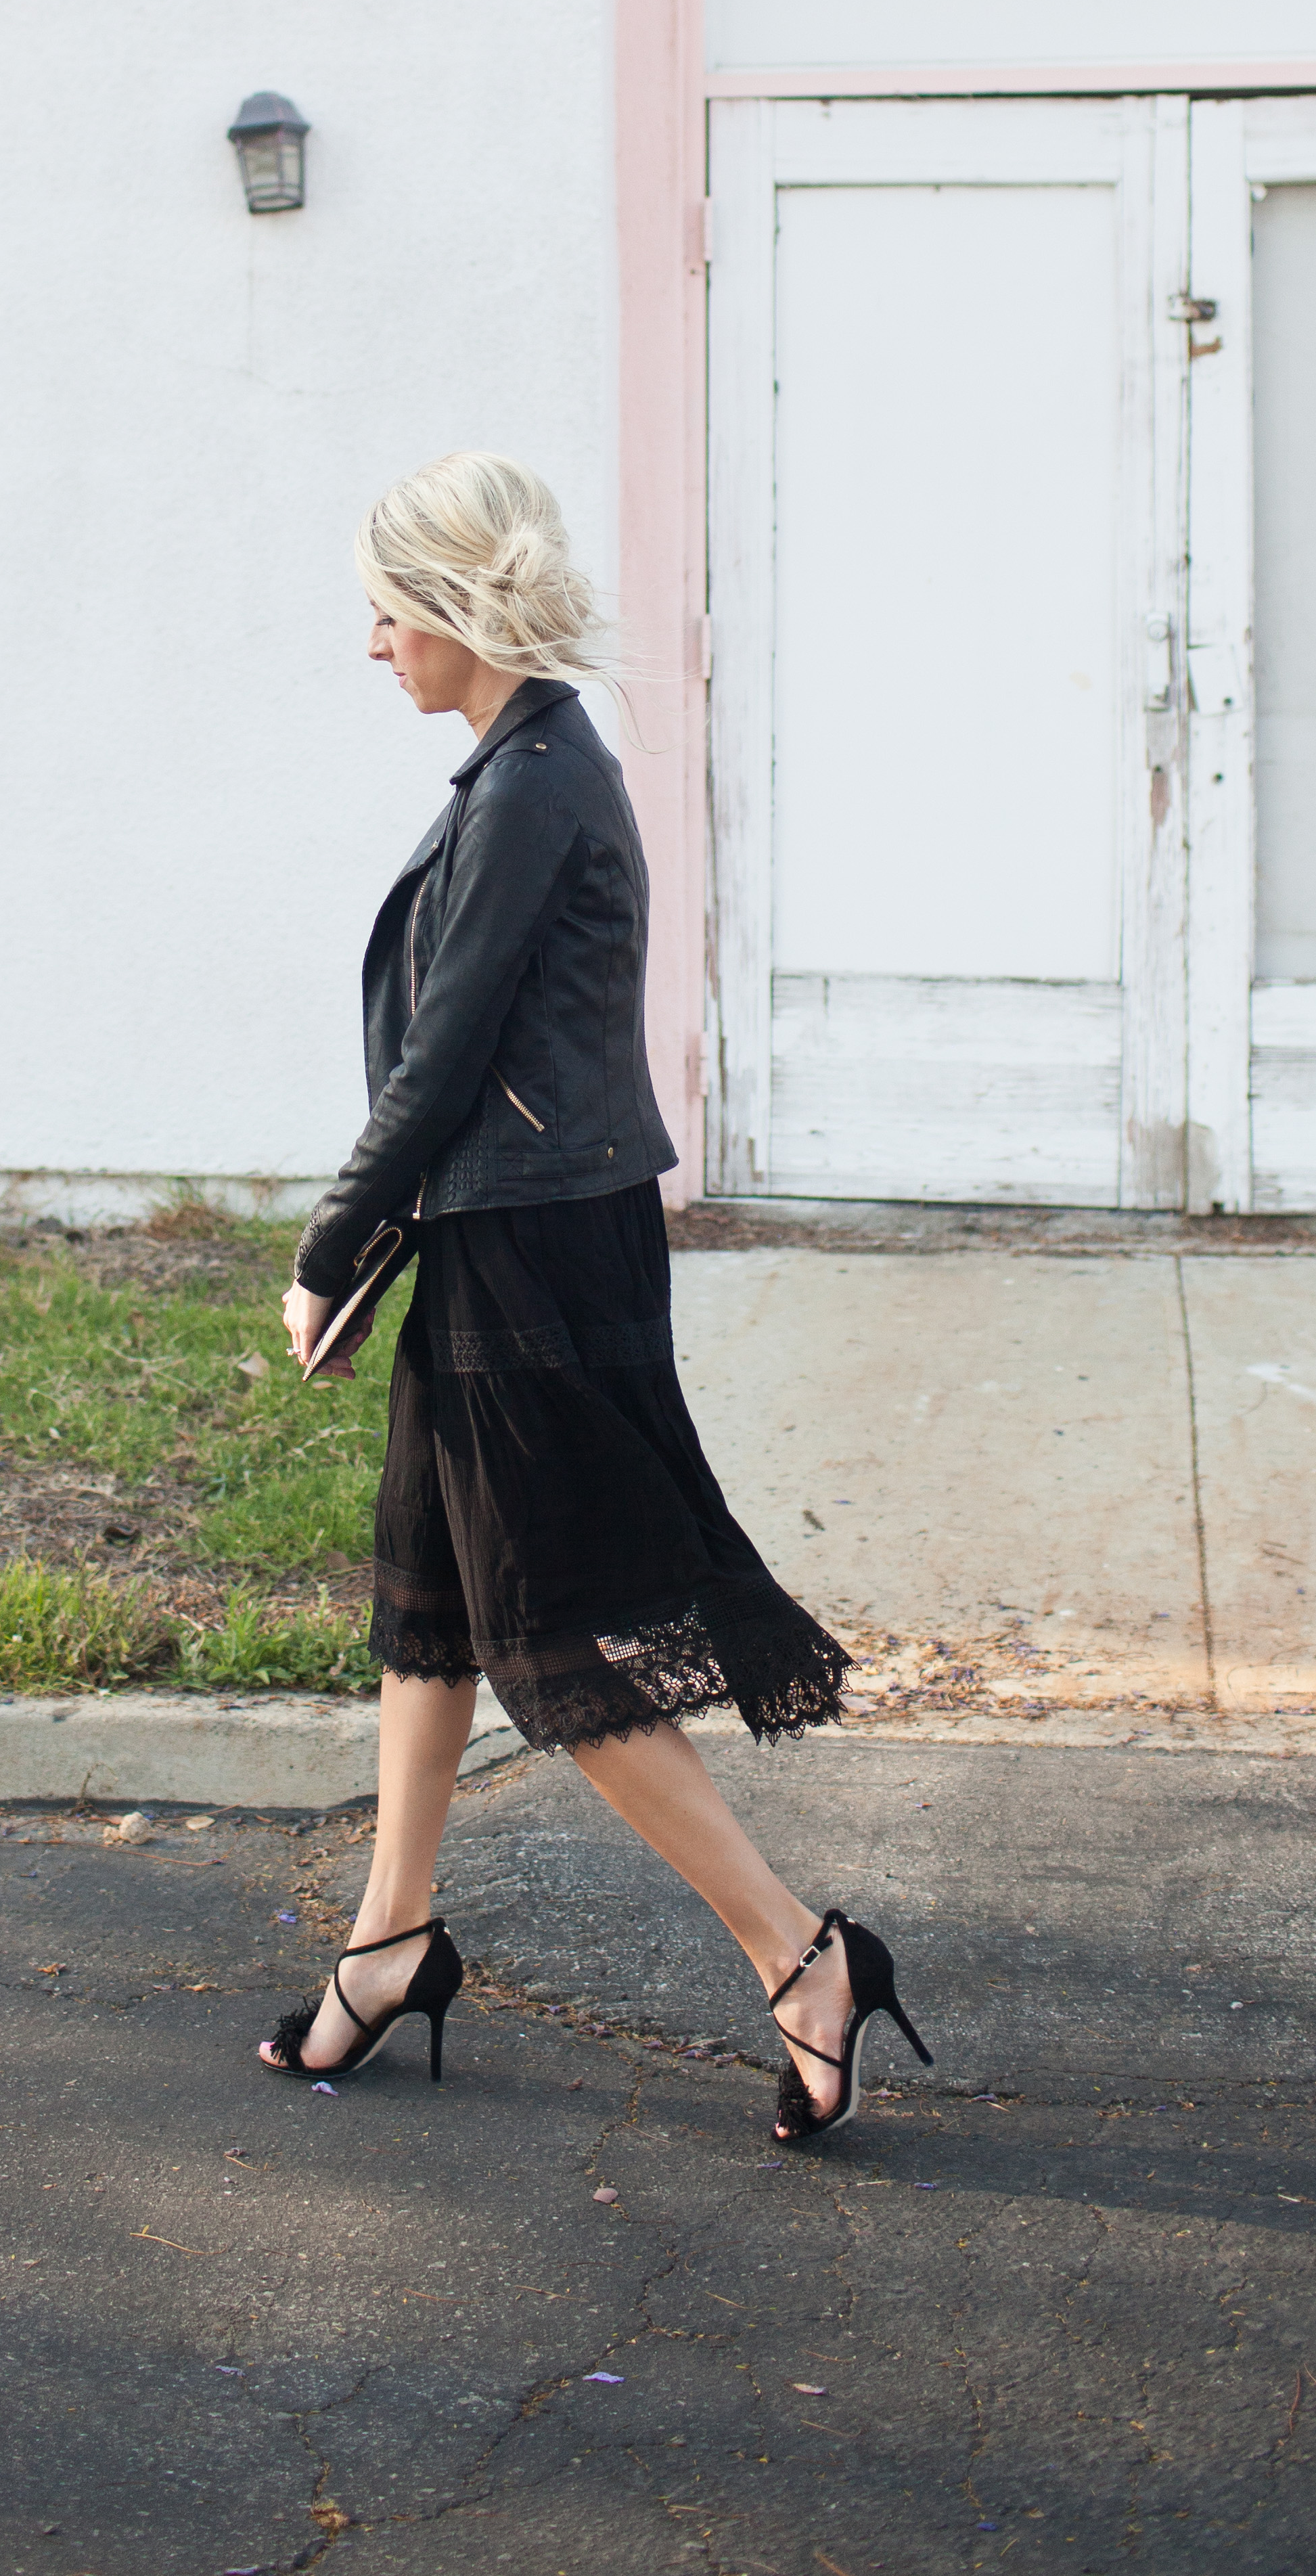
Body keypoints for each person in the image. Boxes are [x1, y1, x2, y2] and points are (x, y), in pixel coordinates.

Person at [256, 453, 930, 2143]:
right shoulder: (524, 762)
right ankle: (390, 1943)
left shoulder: (538, 780)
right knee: (439, 1607)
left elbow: (442, 1055)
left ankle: (802, 1956)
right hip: (521, 1224)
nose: (371, 642)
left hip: (540, 1241)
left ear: (458, 604)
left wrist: (332, 1245)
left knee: (552, 1645)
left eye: (386, 606)